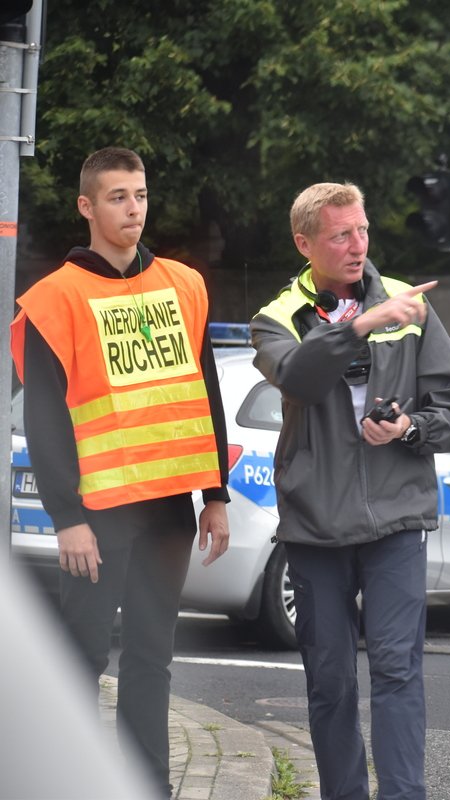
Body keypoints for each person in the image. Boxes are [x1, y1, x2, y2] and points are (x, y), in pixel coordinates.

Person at [9, 146, 231, 796]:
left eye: (140, 195)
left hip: (168, 509)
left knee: (151, 661)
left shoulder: (183, 285)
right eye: (117, 197)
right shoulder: (55, 300)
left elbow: (205, 391)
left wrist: (215, 495)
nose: (133, 209)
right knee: (79, 661)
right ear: (86, 206)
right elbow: (45, 419)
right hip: (97, 514)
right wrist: (66, 518)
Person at [250, 182, 450, 800]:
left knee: (397, 671)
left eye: (363, 231)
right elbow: (298, 378)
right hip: (316, 523)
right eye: (341, 235)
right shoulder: (276, 317)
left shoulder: (410, 305)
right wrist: (362, 325)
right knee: (330, 682)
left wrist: (409, 428)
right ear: (305, 244)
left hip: (397, 518)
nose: (357, 246)